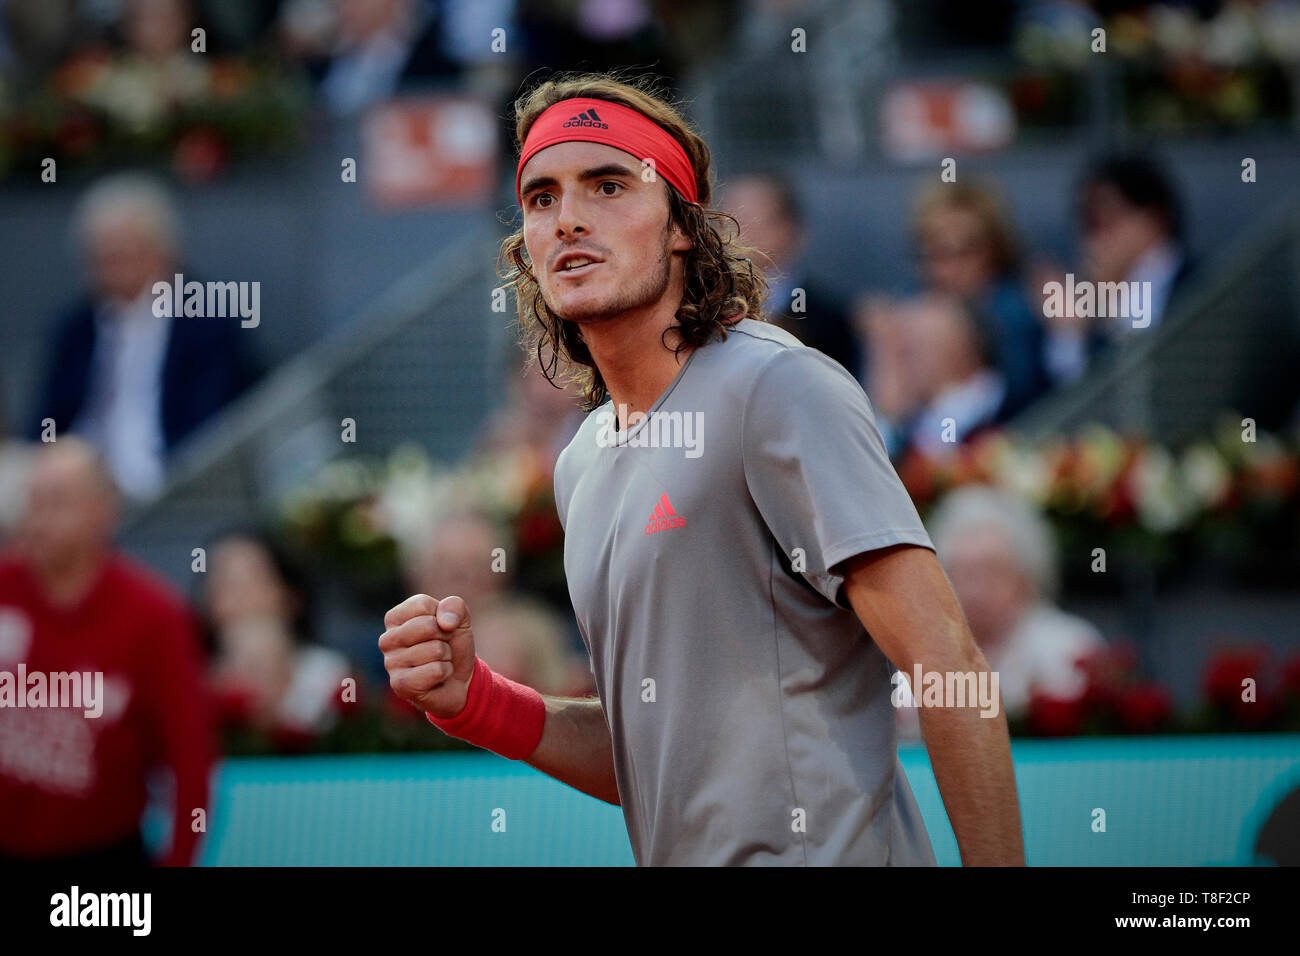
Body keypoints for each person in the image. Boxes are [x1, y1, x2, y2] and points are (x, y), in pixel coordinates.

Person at [380, 73, 1024, 866]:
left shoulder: (779, 388)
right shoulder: (578, 464)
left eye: (608, 185)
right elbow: (657, 758)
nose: (569, 217)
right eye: (542, 198)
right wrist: (479, 702)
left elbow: (947, 665)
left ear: (681, 226)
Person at [0, 438, 213, 865]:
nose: (38, 521)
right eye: (34, 503)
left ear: (104, 512)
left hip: (102, 855)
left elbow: (191, 757)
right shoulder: (5, 587)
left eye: (57, 503)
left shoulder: (155, 615)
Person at [29, 173, 256, 502]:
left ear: (164, 253)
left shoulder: (208, 322)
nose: (112, 271)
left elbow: (211, 426)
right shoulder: (75, 328)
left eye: (125, 256)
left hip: (171, 479)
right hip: (78, 479)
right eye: (101, 259)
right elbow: (47, 419)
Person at [928, 486, 1104, 723]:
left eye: (991, 572)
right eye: (961, 574)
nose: (974, 591)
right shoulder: (924, 655)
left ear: (1026, 576)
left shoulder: (1070, 648)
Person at [198, 529, 350, 746]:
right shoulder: (191, 678)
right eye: (223, 582)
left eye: (251, 580)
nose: (238, 597)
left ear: (290, 595)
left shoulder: (331, 675)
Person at [724, 171, 860, 377]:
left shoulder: (831, 321)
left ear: (792, 229)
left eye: (754, 221)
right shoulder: (698, 309)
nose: (738, 235)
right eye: (730, 220)